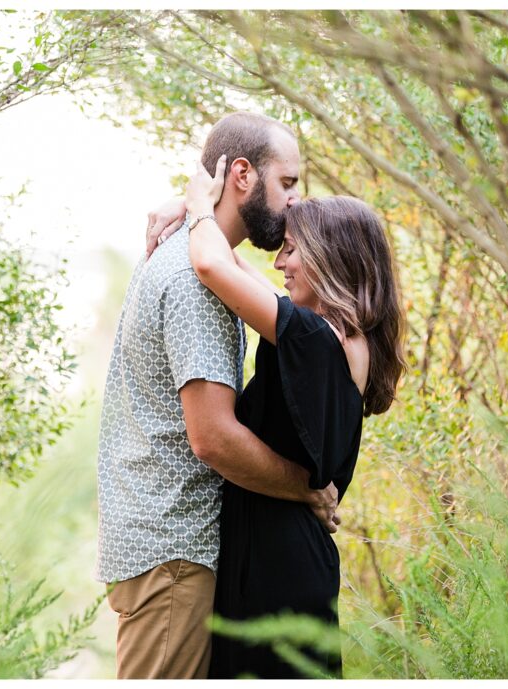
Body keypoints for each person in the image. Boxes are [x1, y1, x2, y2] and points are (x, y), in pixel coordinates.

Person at [93, 112, 343, 680]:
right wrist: (305, 488)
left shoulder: (189, 253)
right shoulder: (193, 279)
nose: (295, 202)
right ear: (242, 175)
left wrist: (193, 205)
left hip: (167, 547)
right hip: (171, 552)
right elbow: (212, 439)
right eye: (288, 184)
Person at [156, 156, 407, 678]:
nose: (279, 263)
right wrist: (191, 208)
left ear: (329, 257)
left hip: (276, 565)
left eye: (291, 251)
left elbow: (211, 266)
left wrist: (200, 204)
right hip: (290, 553)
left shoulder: (314, 340)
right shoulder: (343, 339)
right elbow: (240, 269)